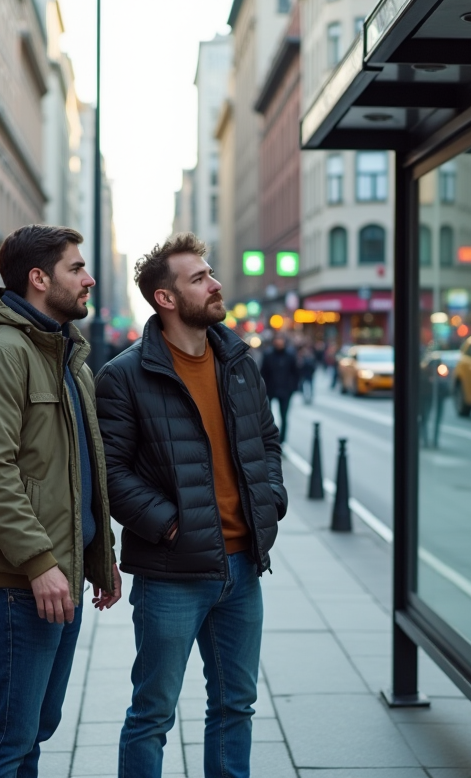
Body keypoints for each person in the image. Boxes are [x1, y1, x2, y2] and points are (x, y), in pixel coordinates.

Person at [95, 232, 286, 778]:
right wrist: (171, 525)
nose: (215, 283)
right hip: (172, 574)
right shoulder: (125, 375)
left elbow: (267, 442)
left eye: (211, 273)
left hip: (243, 565)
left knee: (235, 706)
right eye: (199, 278)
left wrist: (270, 501)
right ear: (167, 298)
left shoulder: (239, 362)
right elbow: (110, 472)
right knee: (153, 713)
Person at [0, 224, 121, 778]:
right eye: (77, 268)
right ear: (39, 278)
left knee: (33, 731)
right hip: (14, 582)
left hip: (53, 574)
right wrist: (40, 562)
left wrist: (100, 559)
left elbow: (75, 470)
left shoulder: (61, 353)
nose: (89, 279)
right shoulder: (0, 353)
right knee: (6, 740)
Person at [259, 334, 300, 443]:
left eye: (281, 340)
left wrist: (293, 388)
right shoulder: (268, 355)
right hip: (271, 389)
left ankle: (282, 440)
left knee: (284, 416)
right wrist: (263, 388)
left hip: (286, 390)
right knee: (268, 416)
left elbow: (296, 372)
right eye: (277, 340)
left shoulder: (290, 355)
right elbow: (263, 372)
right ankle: (270, 437)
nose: (279, 342)